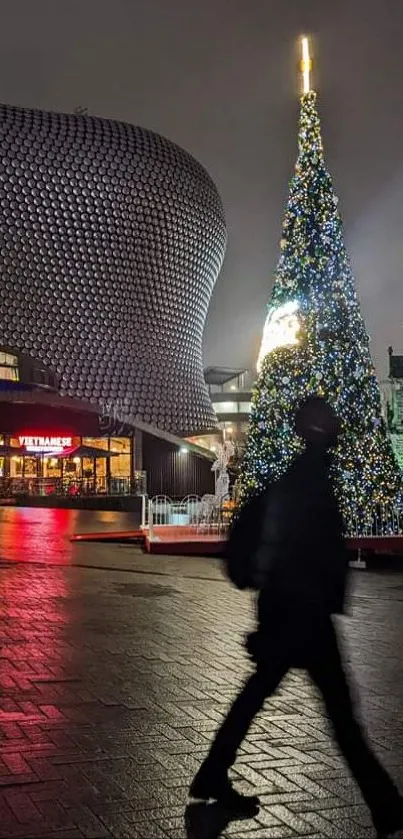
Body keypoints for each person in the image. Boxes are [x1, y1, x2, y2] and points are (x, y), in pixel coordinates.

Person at [189, 397, 403, 837]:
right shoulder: (309, 479)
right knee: (342, 717)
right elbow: (312, 549)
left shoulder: (299, 475)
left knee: (257, 697)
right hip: (302, 615)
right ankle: (386, 807)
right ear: (318, 428)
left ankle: (213, 772)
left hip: (287, 611)